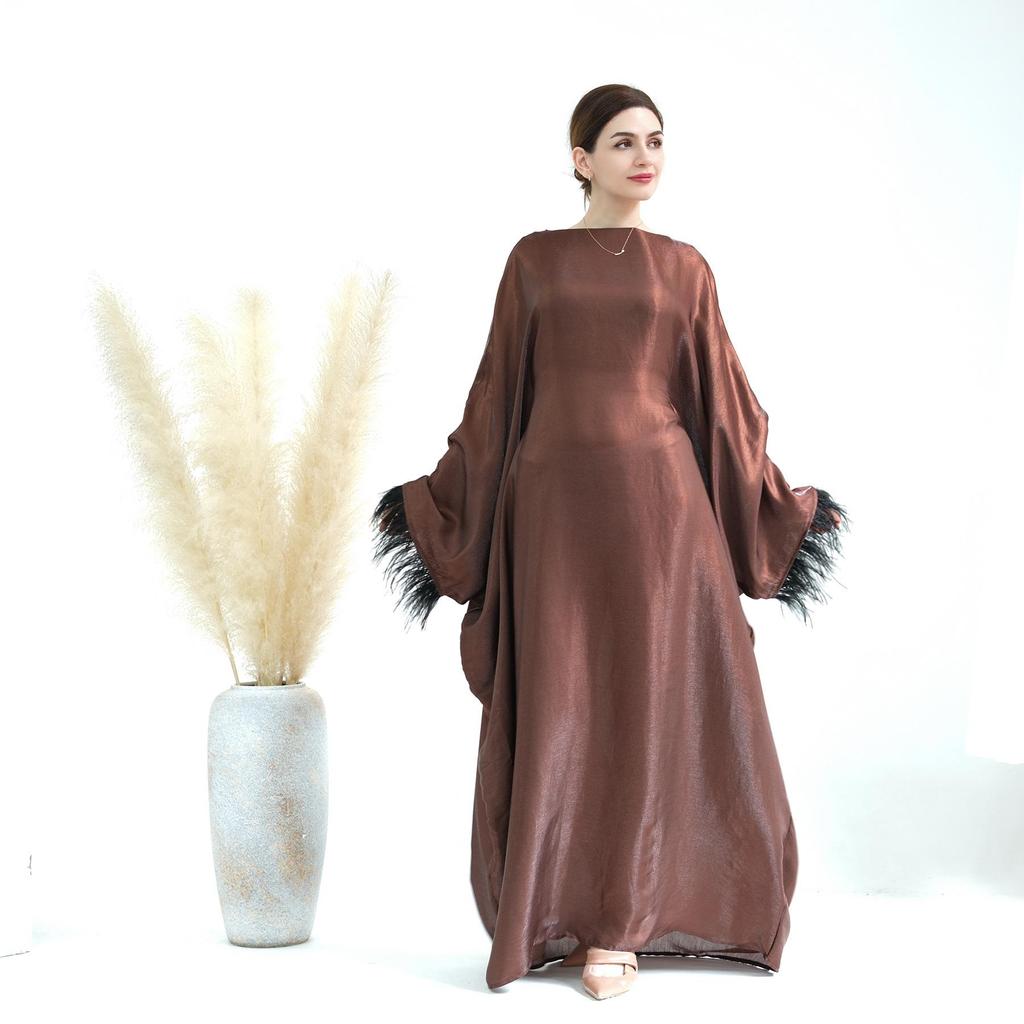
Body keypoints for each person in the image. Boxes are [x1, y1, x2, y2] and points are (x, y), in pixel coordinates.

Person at [371, 83, 848, 1000]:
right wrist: (444, 502)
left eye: (656, 141)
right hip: (552, 514)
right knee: (566, 701)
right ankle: (558, 911)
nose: (645, 157)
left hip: (663, 518)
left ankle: (619, 924)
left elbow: (722, 404)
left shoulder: (684, 268)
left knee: (646, 702)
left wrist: (772, 504)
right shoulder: (534, 260)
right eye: (623, 142)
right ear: (581, 158)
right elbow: (497, 394)